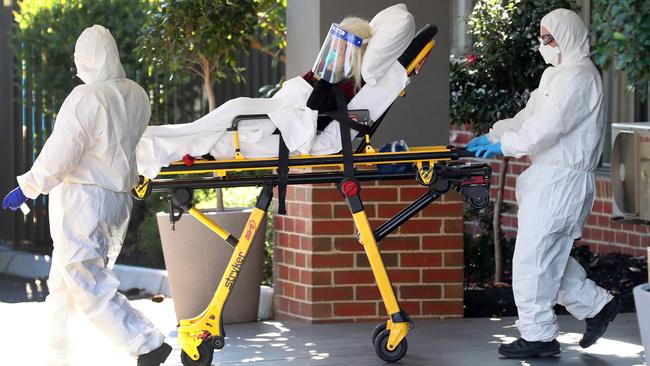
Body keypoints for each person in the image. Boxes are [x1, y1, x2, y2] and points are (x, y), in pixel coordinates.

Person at [2, 25, 171, 366]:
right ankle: (58, 353)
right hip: (116, 200)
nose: (77, 63)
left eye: (80, 57)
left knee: (85, 280)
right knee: (65, 282)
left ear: (91, 58)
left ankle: (146, 342)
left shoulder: (87, 97)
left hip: (83, 200)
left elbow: (61, 151)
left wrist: (29, 186)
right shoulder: (137, 94)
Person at [466, 9, 619, 358]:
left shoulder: (579, 78)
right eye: (542, 38)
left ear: (567, 36)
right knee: (549, 257)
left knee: (533, 260)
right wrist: (495, 133)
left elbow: (547, 127)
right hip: (549, 178)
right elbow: (529, 117)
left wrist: (505, 146)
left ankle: (538, 337)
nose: (543, 45)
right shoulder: (556, 76)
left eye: (548, 38)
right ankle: (597, 306)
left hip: (562, 179)